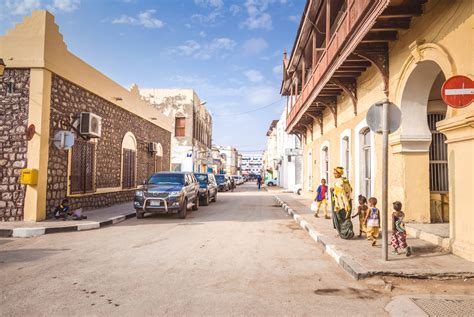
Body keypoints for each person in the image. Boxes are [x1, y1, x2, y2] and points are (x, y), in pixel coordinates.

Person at [330, 167, 354, 239]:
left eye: (335, 173)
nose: (334, 174)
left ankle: (345, 233)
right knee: (345, 218)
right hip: (347, 202)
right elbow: (350, 190)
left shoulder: (339, 182)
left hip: (341, 204)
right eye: (334, 173)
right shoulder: (345, 180)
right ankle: (345, 232)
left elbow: (341, 193)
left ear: (339, 173)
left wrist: (333, 190)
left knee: (341, 219)